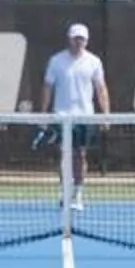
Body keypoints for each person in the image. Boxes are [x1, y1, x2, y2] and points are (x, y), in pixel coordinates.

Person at [39, 20, 112, 207]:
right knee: (64, 155)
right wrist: (43, 114)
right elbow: (47, 87)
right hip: (61, 116)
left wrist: (106, 114)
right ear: (69, 39)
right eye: (75, 38)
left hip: (85, 117)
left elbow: (101, 89)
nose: (78, 42)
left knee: (80, 154)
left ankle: (78, 194)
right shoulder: (56, 61)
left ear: (86, 41)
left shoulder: (94, 62)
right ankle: (65, 192)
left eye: (82, 39)